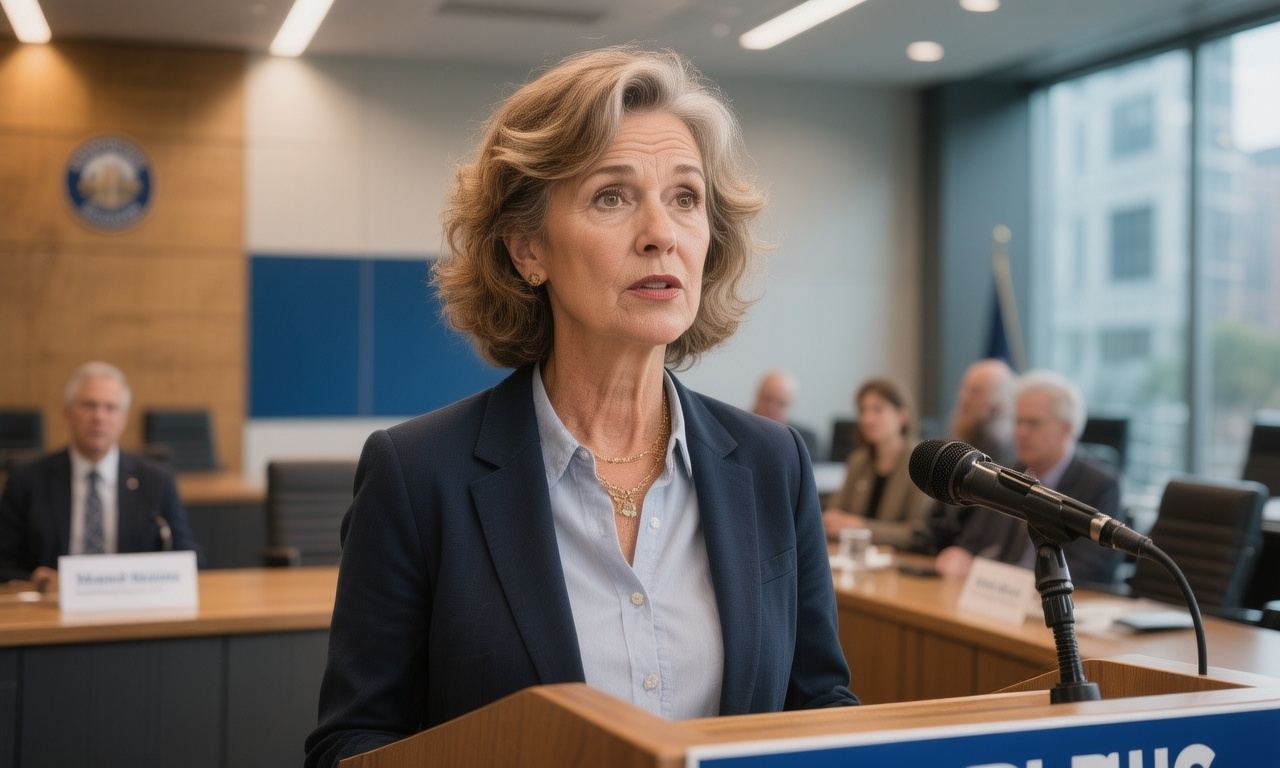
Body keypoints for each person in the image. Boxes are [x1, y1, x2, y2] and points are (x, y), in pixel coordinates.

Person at [304, 46, 858, 768]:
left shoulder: (772, 463)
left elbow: (819, 707)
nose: (661, 232)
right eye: (612, 196)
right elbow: (351, 745)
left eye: (686, 198)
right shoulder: (417, 476)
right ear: (527, 250)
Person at [0, 361, 202, 585]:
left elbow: (189, 557)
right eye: (88, 405)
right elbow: (3, 563)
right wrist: (35, 579)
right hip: (52, 606)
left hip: (132, 606)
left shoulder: (156, 480)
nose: (99, 417)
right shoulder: (27, 480)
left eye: (110, 407)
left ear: (123, 419)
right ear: (67, 412)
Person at [934, 369, 1122, 586]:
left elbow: (1091, 569)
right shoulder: (1004, 472)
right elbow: (971, 542)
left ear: (1066, 428)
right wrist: (960, 555)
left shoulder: (1099, 484)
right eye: (1018, 422)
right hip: (996, 598)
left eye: (1033, 423)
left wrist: (1017, 582)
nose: (1021, 432)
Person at [908, 358, 1016, 555]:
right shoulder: (959, 450)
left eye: (975, 392)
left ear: (998, 403)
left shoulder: (1010, 459)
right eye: (964, 388)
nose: (963, 398)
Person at [821, 377, 931, 550]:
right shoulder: (858, 460)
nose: (866, 418)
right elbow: (835, 514)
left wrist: (860, 527)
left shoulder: (921, 462)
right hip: (856, 560)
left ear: (902, 415)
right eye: (863, 410)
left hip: (901, 564)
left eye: (877, 410)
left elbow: (918, 533)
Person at [751, 369, 820, 460]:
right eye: (767, 399)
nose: (771, 408)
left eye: (781, 403)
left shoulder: (804, 440)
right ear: (757, 396)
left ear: (791, 406)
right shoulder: (737, 428)